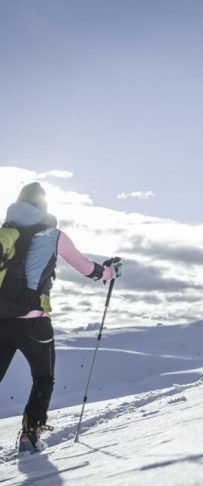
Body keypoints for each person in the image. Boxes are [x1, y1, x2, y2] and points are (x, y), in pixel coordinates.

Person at [0, 182, 122, 453]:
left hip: (1, 319)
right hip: (34, 321)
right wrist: (109, 273)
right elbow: (86, 267)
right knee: (43, 378)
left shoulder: (5, 232)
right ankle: (30, 435)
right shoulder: (54, 236)